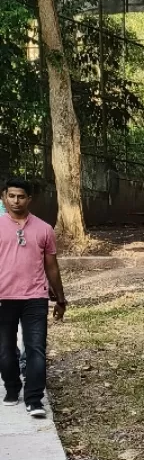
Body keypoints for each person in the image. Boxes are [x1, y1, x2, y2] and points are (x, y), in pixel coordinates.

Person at [0, 178, 66, 419]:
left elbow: (52, 267)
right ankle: (12, 386)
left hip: (35, 298)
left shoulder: (44, 229)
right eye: (11, 196)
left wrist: (60, 298)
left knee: (35, 348)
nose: (16, 201)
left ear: (30, 199)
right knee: (5, 350)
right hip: (3, 298)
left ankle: (34, 398)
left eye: (21, 196)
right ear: (4, 197)